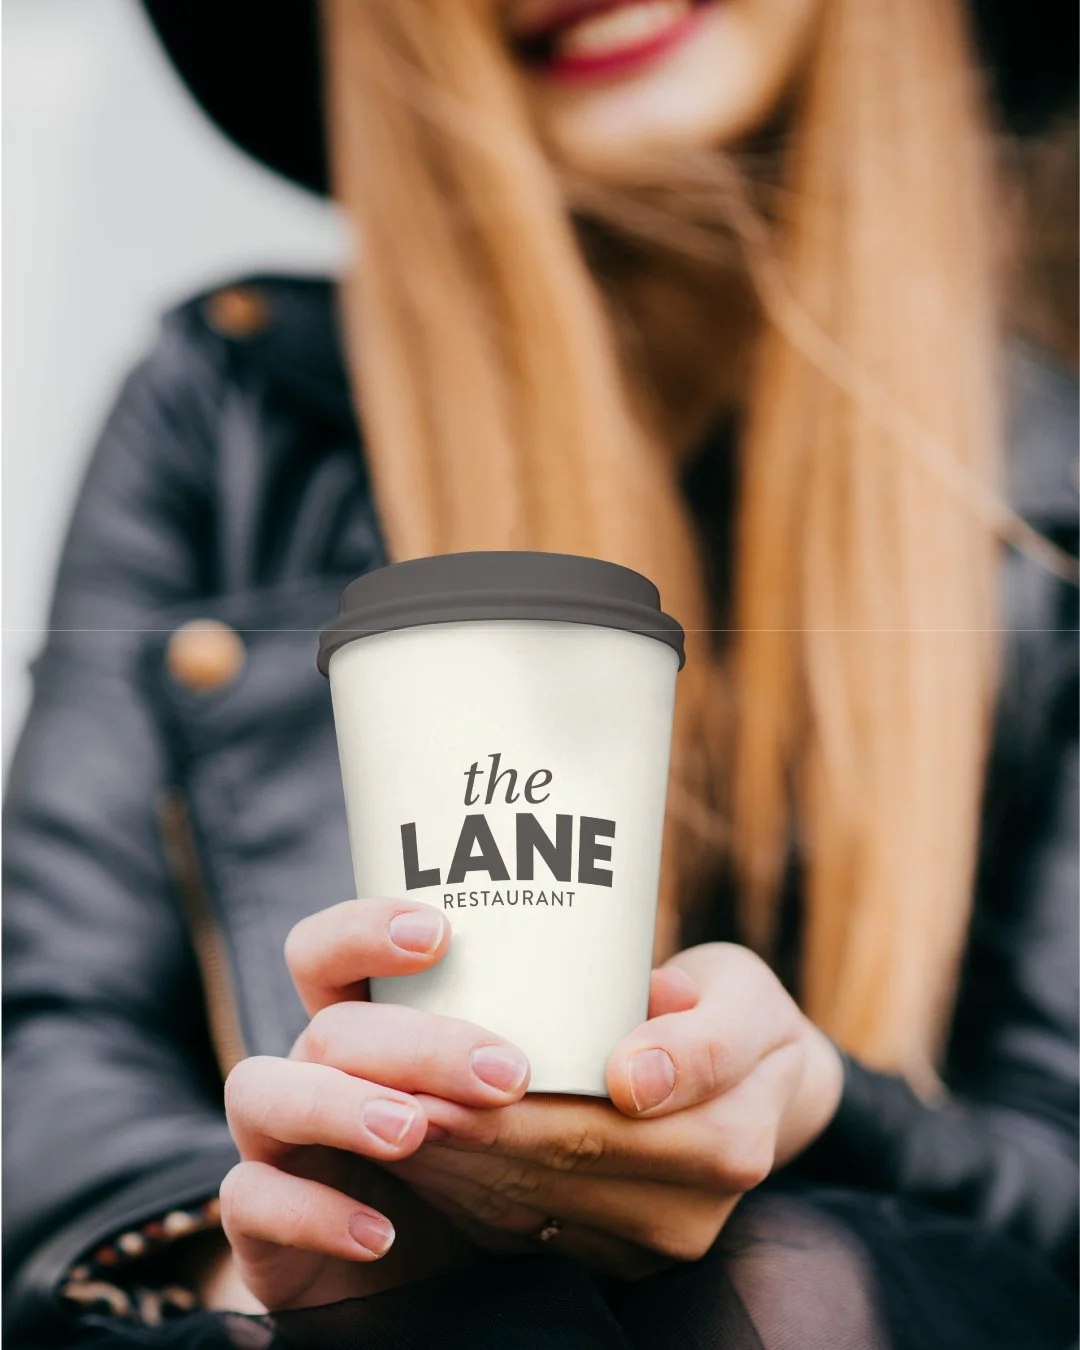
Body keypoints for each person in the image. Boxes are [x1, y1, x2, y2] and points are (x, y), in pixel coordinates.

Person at [4, 0, 1077, 1346]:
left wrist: (818, 1108)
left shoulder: (1058, 516)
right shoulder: (221, 416)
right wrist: (283, 1258)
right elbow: (51, 1058)